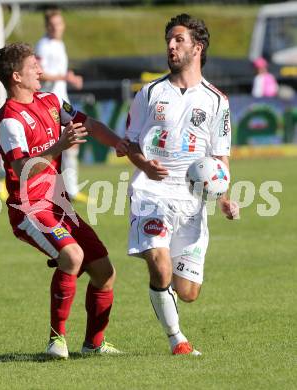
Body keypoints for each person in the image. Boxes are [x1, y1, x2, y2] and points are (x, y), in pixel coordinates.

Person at [0, 42, 126, 359]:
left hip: (59, 206)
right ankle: (57, 340)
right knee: (72, 255)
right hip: (29, 208)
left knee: (105, 272)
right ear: (16, 76)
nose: (40, 70)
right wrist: (57, 146)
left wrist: (122, 143)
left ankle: (93, 344)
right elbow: (21, 167)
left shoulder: (52, 102)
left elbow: (89, 124)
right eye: (33, 66)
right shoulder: (9, 120)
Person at [118, 14, 239, 356]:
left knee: (187, 291)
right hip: (151, 192)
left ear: (197, 47)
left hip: (191, 201)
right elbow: (129, 143)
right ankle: (177, 340)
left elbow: (220, 158)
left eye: (179, 40)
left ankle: (167, 289)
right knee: (159, 261)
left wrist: (224, 198)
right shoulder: (150, 93)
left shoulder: (217, 101)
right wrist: (143, 163)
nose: (171, 46)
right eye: (169, 40)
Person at [35, 8, 86, 203]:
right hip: (47, 102)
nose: (57, 28)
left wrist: (69, 76)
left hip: (62, 101)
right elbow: (39, 73)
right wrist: (64, 76)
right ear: (47, 26)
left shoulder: (59, 45)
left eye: (59, 24)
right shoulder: (43, 46)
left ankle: (71, 190)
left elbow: (58, 72)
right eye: (53, 25)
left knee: (72, 142)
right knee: (49, 146)